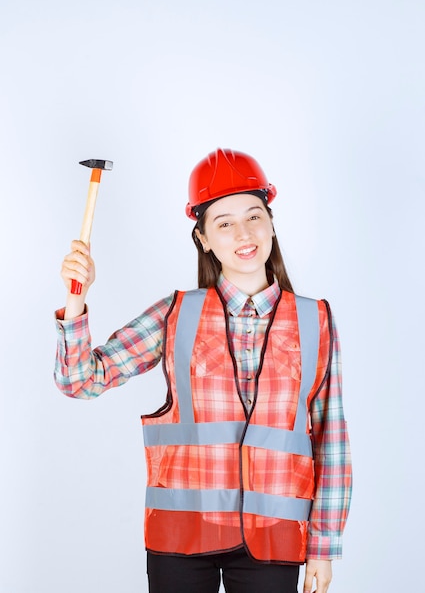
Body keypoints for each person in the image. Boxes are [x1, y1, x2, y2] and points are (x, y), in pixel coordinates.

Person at [54, 148, 352, 593]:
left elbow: (332, 440)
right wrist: (77, 299)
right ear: (204, 239)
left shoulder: (315, 320)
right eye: (224, 223)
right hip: (181, 538)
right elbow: (80, 380)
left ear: (271, 223)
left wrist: (324, 547)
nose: (243, 233)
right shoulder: (177, 314)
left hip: (275, 539)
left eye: (254, 217)